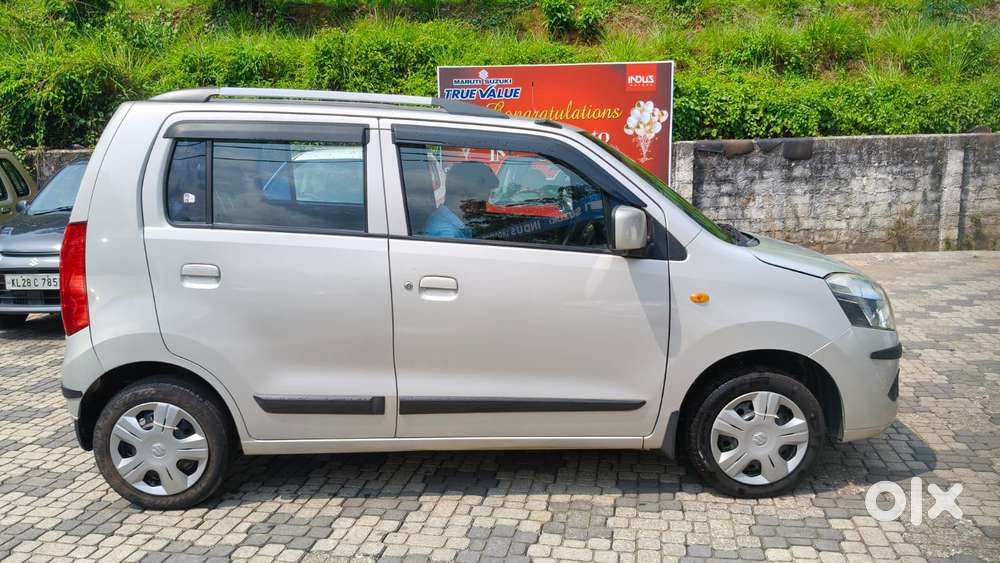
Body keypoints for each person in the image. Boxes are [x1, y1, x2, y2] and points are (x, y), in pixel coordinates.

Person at [423, 161, 497, 239]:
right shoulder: (448, 235)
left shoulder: (452, 222)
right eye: (481, 203)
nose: (484, 208)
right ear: (463, 196)